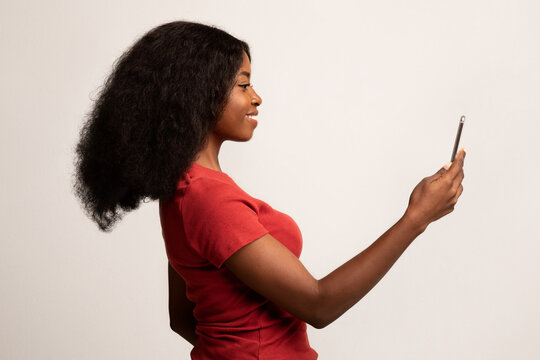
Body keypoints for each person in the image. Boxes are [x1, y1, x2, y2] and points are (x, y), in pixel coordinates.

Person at [74, 20, 466, 360]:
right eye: (243, 85)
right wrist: (417, 217)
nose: (256, 98)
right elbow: (319, 303)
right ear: (198, 96)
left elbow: (183, 318)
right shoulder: (209, 199)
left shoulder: (181, 189)